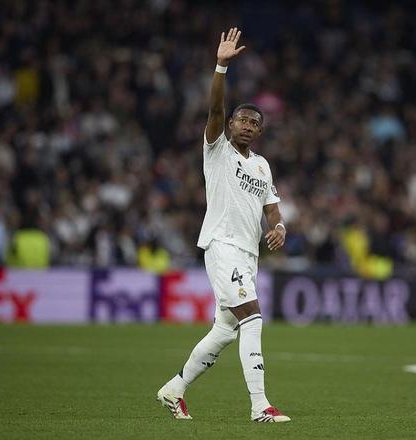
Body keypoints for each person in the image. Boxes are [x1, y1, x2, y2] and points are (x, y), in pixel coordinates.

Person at [156, 28, 290, 423]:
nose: (247, 125)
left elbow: (272, 208)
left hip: (248, 254)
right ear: (230, 125)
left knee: (225, 330)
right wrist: (221, 67)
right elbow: (215, 109)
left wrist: (280, 227)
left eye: (254, 122)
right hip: (222, 245)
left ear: (260, 131)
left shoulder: (262, 166)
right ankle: (260, 405)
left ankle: (174, 389)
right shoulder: (217, 150)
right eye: (241, 119)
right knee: (253, 317)